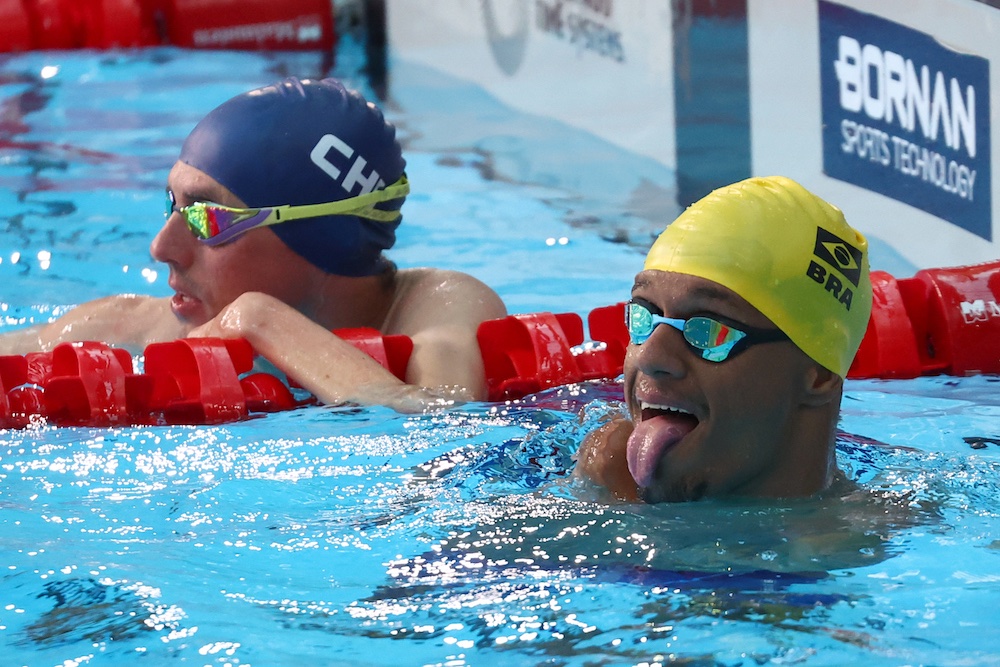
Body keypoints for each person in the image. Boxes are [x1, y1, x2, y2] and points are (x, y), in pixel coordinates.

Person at [0, 77, 506, 406]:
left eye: (208, 218)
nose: (161, 247)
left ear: (317, 236)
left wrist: (260, 321)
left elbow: (444, 429)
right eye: (173, 205)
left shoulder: (437, 309)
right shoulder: (130, 329)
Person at [574, 176, 873, 503]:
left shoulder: (857, 542)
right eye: (645, 315)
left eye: (708, 330)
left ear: (819, 375)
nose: (650, 357)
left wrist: (619, 511)